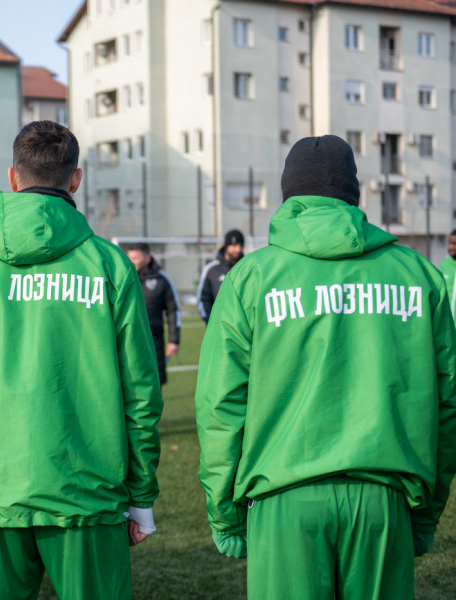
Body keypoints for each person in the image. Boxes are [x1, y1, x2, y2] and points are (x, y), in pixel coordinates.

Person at [195, 135, 456, 599]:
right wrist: (424, 512)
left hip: (283, 499)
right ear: (355, 196)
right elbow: (448, 403)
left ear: (287, 196)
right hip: (384, 500)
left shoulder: (250, 279)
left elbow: (220, 406)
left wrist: (225, 513)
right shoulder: (418, 275)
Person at [0, 120, 163, 599]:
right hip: (88, 494)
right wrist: (142, 496)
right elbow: (139, 391)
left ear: (12, 177)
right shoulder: (109, 266)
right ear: (75, 180)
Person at [125, 242, 181, 385]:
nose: (131, 262)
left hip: (154, 341)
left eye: (135, 258)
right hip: (127, 340)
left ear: (147, 258)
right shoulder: (124, 278)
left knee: (155, 382)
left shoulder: (161, 279)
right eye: (129, 258)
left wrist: (174, 340)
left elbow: (173, 310)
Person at [197, 228, 244, 322]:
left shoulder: (247, 267)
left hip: (243, 327)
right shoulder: (211, 269)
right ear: (226, 246)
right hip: (219, 327)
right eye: (234, 245)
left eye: (240, 246)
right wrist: (211, 322)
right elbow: (203, 298)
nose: (238, 249)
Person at [439, 228, 456, 317]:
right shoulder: (444, 265)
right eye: (450, 243)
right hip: (448, 324)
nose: (451, 247)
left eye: (454, 244)